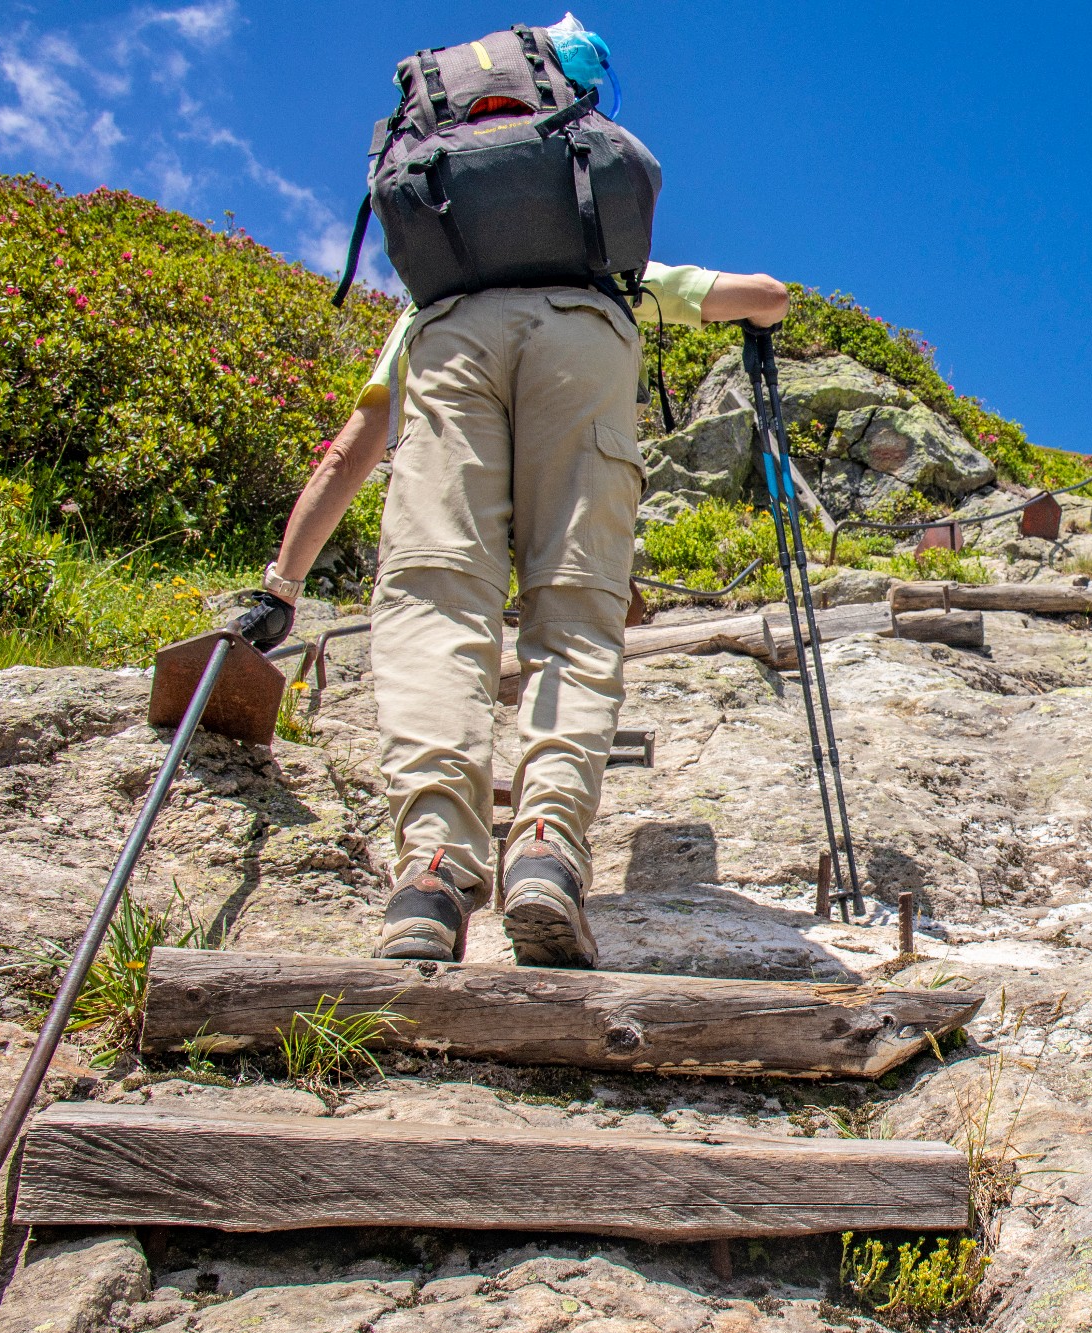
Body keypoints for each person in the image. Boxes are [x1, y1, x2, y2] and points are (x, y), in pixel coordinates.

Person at [231, 259, 791, 968]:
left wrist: (281, 590)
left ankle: (431, 876)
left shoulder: (437, 288)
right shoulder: (600, 262)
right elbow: (765, 296)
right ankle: (545, 848)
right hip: (586, 338)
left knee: (434, 608)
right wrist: (766, 316)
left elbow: (351, 450)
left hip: (451, 338)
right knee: (577, 611)